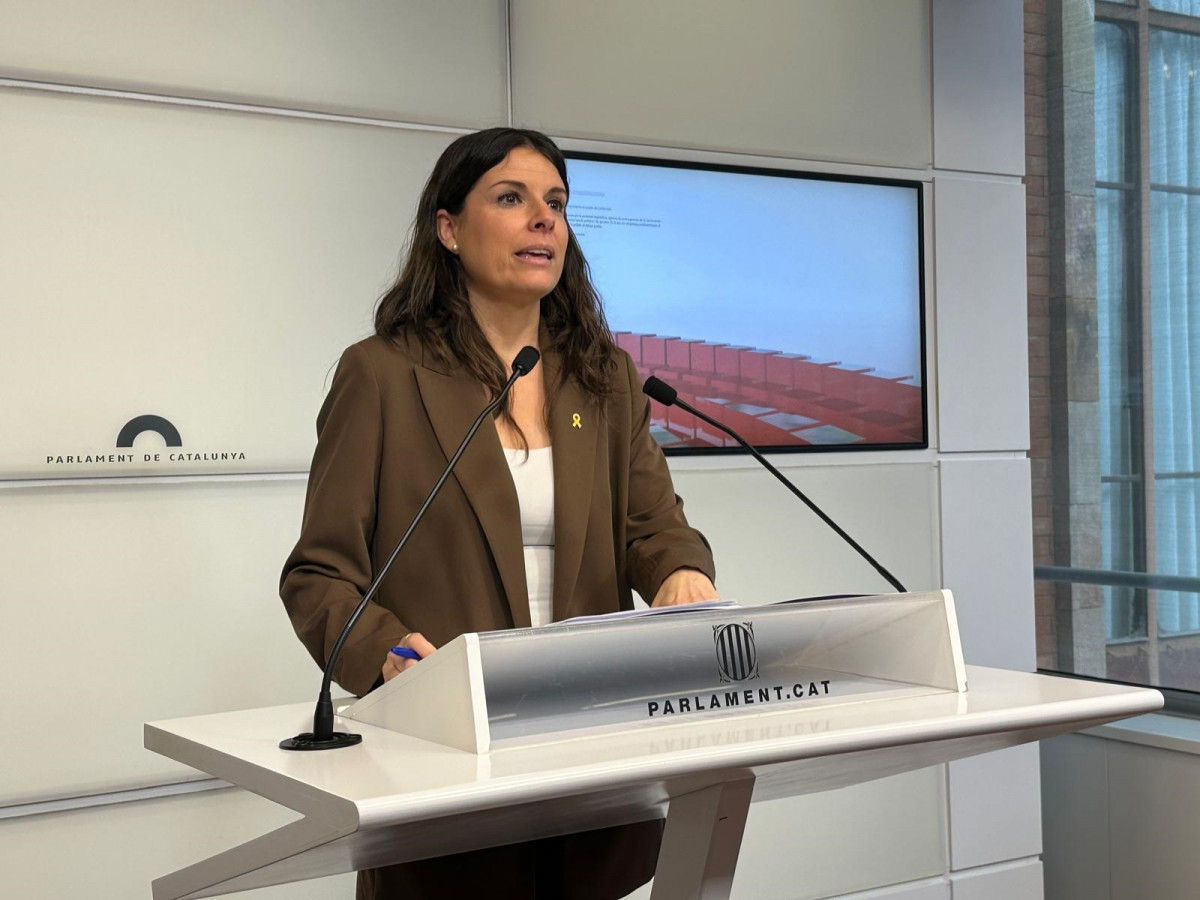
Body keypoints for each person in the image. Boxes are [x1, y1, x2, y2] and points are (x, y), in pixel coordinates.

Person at [280, 127, 718, 899]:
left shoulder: (603, 379)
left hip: (589, 764)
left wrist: (680, 572)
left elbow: (653, 528)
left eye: (556, 203)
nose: (543, 218)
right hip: (445, 763)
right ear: (449, 229)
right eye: (511, 198)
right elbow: (319, 576)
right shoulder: (381, 376)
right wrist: (387, 654)